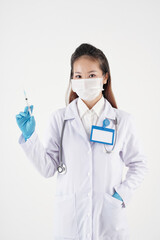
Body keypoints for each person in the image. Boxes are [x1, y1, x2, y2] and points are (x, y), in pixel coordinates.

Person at [15, 43, 148, 240]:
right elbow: (48, 168)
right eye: (78, 76)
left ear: (105, 77)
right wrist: (30, 136)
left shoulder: (123, 121)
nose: (84, 81)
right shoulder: (59, 119)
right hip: (70, 222)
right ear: (72, 80)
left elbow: (139, 164)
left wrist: (121, 195)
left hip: (109, 219)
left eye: (92, 75)